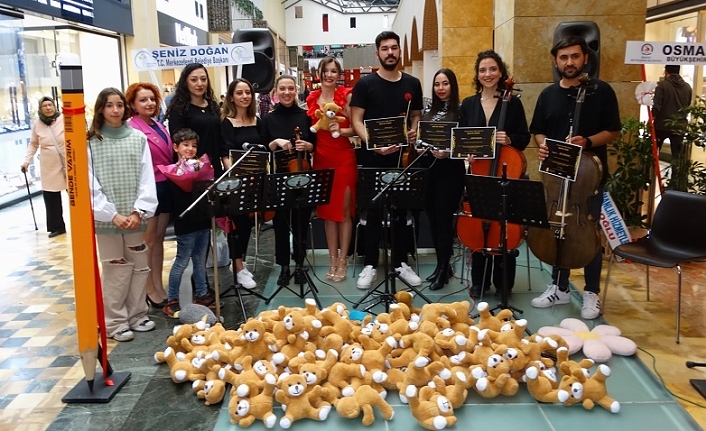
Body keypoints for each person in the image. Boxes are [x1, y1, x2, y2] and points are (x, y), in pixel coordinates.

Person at [529, 36, 621, 319]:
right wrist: (543, 144)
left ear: (585, 59)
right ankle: (560, 286)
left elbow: (613, 130)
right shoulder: (548, 95)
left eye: (574, 57)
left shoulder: (601, 91)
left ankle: (591, 292)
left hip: (589, 179)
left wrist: (588, 142)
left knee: (588, 232)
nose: (569, 62)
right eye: (563, 57)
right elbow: (538, 129)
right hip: (557, 177)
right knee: (559, 229)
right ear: (556, 61)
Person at [350, 30, 423, 290]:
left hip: (402, 158)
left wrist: (414, 131)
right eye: (385, 48)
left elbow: (416, 115)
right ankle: (370, 264)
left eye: (394, 47)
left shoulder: (412, 83)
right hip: (374, 157)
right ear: (377, 53)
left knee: (402, 211)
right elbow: (355, 120)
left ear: (399, 51)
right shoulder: (365, 85)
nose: (390, 52)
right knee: (373, 210)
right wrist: (373, 143)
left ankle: (401, 263)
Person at [88, 87, 158, 342]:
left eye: (119, 105)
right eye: (109, 105)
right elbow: (89, 182)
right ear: (101, 109)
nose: (115, 110)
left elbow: (146, 176)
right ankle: (115, 322)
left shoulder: (138, 138)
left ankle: (138, 315)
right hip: (107, 219)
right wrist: (110, 214)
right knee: (115, 270)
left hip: (134, 216)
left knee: (140, 267)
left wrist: (139, 211)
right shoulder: (91, 142)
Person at [459, 50, 530, 298]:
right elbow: (462, 138)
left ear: (501, 73)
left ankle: (503, 283)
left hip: (505, 173)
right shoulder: (468, 104)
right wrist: (466, 153)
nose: (487, 74)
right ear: (477, 75)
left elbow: (524, 138)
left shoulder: (513, 103)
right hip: (479, 174)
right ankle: (479, 281)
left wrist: (509, 138)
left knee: (504, 226)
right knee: (478, 223)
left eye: (492, 69)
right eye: (483, 70)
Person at [305, 56, 357, 283]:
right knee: (327, 214)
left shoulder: (346, 96)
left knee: (344, 213)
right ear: (320, 73)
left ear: (339, 74)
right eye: (325, 71)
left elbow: (357, 128)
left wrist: (342, 130)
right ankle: (332, 260)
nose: (329, 75)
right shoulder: (312, 98)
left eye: (333, 71)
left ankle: (344, 259)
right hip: (322, 159)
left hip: (344, 158)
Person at [261, 75, 316, 286]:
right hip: (278, 175)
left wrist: (308, 147)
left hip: (302, 175)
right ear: (276, 91)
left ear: (296, 90)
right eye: (282, 88)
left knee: (301, 222)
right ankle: (284, 266)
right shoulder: (268, 119)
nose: (286, 92)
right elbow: (264, 148)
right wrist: (275, 141)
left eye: (290, 89)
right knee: (281, 224)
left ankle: (300, 265)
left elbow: (315, 144)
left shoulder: (306, 116)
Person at [125, 82, 172, 309]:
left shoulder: (157, 124)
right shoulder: (132, 128)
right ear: (133, 104)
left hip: (164, 186)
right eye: (143, 100)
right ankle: (147, 288)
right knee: (149, 240)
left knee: (159, 239)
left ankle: (157, 282)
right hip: (148, 189)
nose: (149, 103)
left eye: (152, 99)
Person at [162, 129, 217, 318]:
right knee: (182, 261)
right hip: (185, 223)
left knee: (200, 260)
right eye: (186, 145)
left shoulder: (199, 167)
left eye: (194, 145)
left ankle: (202, 294)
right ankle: (172, 300)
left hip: (202, 221)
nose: (191, 149)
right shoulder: (173, 172)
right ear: (176, 147)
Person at [418, 68, 465, 291]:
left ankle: (445, 266)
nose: (441, 88)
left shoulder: (461, 110)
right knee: (433, 220)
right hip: (429, 170)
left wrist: (449, 152)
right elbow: (422, 137)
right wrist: (419, 147)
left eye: (445, 84)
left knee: (444, 221)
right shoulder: (428, 109)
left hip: (450, 172)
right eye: (437, 84)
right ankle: (440, 266)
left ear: (452, 86)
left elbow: (465, 144)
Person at [220, 78, 261, 289]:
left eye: (247, 92)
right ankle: (238, 267)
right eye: (239, 93)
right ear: (232, 97)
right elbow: (225, 153)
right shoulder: (227, 122)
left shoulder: (257, 120)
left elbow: (263, 149)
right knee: (236, 225)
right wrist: (235, 175)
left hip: (255, 181)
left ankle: (240, 261)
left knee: (247, 225)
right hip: (236, 182)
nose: (244, 96)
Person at [166, 63, 224, 178]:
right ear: (185, 82)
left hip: (215, 164)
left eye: (203, 79)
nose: (200, 84)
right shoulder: (178, 109)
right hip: (192, 169)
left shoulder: (212, 105)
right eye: (194, 80)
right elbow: (178, 140)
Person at [21, 96, 67, 238]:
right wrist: (26, 161)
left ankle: (83, 221)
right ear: (40, 109)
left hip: (67, 161)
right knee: (51, 196)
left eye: (50, 105)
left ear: (54, 106)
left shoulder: (63, 119)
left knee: (76, 194)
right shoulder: (38, 124)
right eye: (44, 106)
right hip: (49, 165)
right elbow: (34, 144)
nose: (48, 108)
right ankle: (57, 227)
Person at [652, 65, 692, 161]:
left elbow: (657, 107)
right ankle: (676, 175)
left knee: (654, 154)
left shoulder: (662, 86)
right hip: (680, 126)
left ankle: (653, 174)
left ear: (666, 72)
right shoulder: (687, 87)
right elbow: (687, 106)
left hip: (661, 125)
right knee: (677, 157)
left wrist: (652, 117)